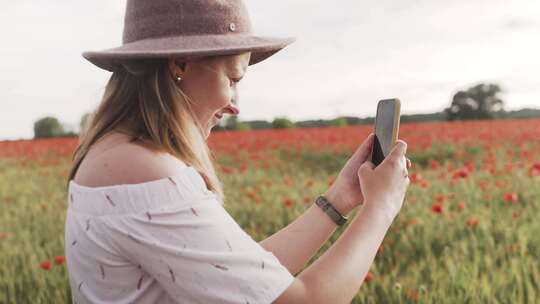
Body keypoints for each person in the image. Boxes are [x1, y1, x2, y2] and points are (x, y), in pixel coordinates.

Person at [65, 0, 412, 303]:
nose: (234, 105)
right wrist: (381, 207)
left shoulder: (116, 153)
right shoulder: (144, 171)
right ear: (180, 64)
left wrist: (338, 199)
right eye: (232, 80)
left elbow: (243, 280)